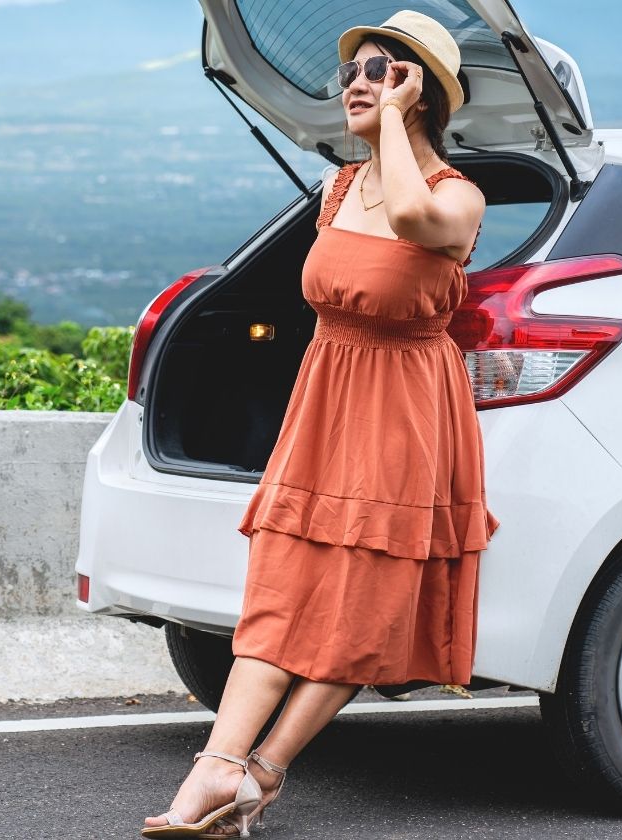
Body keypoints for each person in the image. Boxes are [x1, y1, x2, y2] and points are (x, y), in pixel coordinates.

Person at [140, 10, 499, 838]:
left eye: (384, 72)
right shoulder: (340, 187)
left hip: (406, 417)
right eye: (354, 72)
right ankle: (215, 772)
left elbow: (413, 221)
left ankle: (259, 774)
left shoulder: (455, 196)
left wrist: (402, 128)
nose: (360, 84)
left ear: (421, 93)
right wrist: (388, 129)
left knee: (360, 609)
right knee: (282, 589)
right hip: (327, 405)